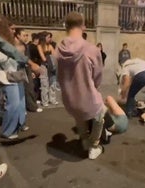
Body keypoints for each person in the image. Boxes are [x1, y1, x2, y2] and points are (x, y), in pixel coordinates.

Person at [0, 20, 40, 188]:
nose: (13, 30)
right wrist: (27, 61)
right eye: (11, 27)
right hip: (5, 78)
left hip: (14, 76)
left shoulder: (11, 41)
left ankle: (16, 127)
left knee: (19, 104)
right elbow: (1, 51)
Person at [56, 12, 106, 159]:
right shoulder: (91, 49)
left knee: (79, 116)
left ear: (66, 26)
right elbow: (98, 76)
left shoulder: (59, 48)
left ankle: (84, 140)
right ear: (83, 26)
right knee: (100, 113)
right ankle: (94, 146)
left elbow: (59, 75)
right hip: (87, 96)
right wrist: (93, 87)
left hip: (69, 98)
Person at [15, 29, 43, 112]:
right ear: (18, 36)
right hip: (18, 68)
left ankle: (32, 106)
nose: (26, 37)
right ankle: (23, 108)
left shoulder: (26, 46)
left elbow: (28, 58)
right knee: (20, 89)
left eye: (27, 35)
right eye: (24, 35)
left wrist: (31, 69)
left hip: (26, 68)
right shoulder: (13, 46)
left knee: (30, 87)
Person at [37, 31, 58, 107]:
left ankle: (52, 99)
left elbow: (55, 54)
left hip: (52, 65)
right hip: (44, 66)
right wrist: (50, 58)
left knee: (52, 83)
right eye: (48, 37)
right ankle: (44, 101)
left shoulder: (50, 46)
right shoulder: (39, 46)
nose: (50, 39)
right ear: (44, 37)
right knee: (44, 84)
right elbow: (43, 57)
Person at [28, 33, 42, 102]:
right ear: (36, 40)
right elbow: (39, 56)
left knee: (35, 82)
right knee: (36, 82)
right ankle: (36, 98)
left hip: (32, 65)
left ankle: (36, 97)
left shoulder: (29, 46)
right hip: (35, 65)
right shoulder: (35, 47)